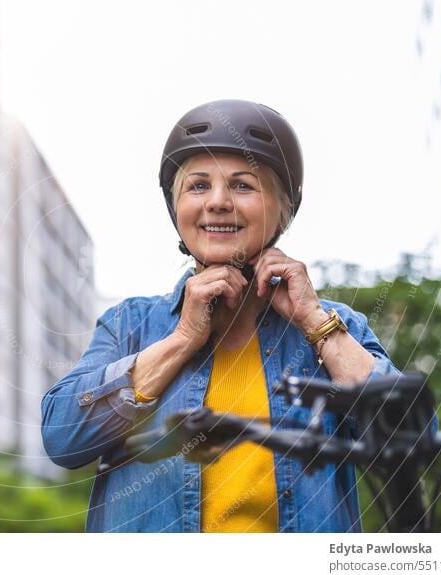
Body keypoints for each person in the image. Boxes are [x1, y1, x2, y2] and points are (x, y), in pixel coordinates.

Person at [41, 99, 402, 533]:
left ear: (283, 209)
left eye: (243, 185)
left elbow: (409, 439)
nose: (217, 202)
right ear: (176, 208)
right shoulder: (130, 325)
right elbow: (62, 437)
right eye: (197, 186)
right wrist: (181, 339)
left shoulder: (333, 325)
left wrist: (315, 323)